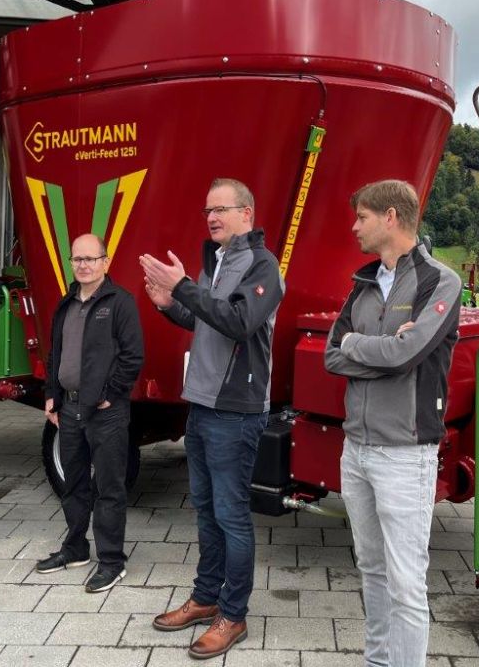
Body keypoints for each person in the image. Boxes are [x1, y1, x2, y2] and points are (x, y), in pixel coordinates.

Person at [140, 178, 284, 660]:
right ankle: (205, 598)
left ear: (248, 212)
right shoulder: (216, 261)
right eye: (208, 210)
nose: (212, 217)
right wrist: (170, 306)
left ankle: (233, 614)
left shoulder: (263, 264)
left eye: (221, 209)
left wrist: (181, 285)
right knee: (204, 509)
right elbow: (207, 320)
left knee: (231, 515)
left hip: (235, 413)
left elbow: (239, 322)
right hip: (200, 406)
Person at [324, 180, 462, 667]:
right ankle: (378, 661)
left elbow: (407, 354)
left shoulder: (438, 281)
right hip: (356, 448)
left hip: (405, 453)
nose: (354, 227)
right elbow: (330, 356)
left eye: (361, 217)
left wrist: (358, 346)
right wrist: (377, 351)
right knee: (372, 569)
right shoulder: (361, 282)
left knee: (406, 583)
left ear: (390, 217)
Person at [35, 234, 144, 593]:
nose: (83, 265)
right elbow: (55, 355)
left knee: (109, 488)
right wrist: (52, 396)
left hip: (105, 413)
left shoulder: (120, 303)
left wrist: (111, 394)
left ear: (105, 261)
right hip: (68, 408)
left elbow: (133, 356)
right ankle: (76, 548)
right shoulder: (66, 304)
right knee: (74, 484)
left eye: (90, 259)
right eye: (77, 259)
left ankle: (112, 561)